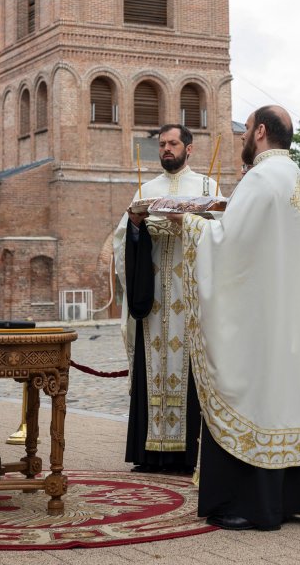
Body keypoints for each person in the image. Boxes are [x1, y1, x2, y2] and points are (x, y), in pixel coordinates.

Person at [181, 105, 300, 530]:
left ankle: (251, 505)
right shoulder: (295, 178)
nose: (240, 140)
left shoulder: (260, 178)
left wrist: (192, 225)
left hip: (259, 324)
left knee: (256, 398)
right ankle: (293, 499)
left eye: (244, 133)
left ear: (258, 133)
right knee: (284, 404)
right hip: (286, 317)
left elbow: (229, 244)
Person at [113, 124, 220, 474]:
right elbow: (122, 242)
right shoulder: (146, 190)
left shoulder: (208, 187)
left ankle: (188, 454)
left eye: (173, 143)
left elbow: (224, 237)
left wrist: (186, 222)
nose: (166, 150)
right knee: (152, 366)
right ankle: (150, 453)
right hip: (153, 298)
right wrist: (134, 225)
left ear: (189, 149)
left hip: (191, 300)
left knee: (189, 368)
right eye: (161, 145)